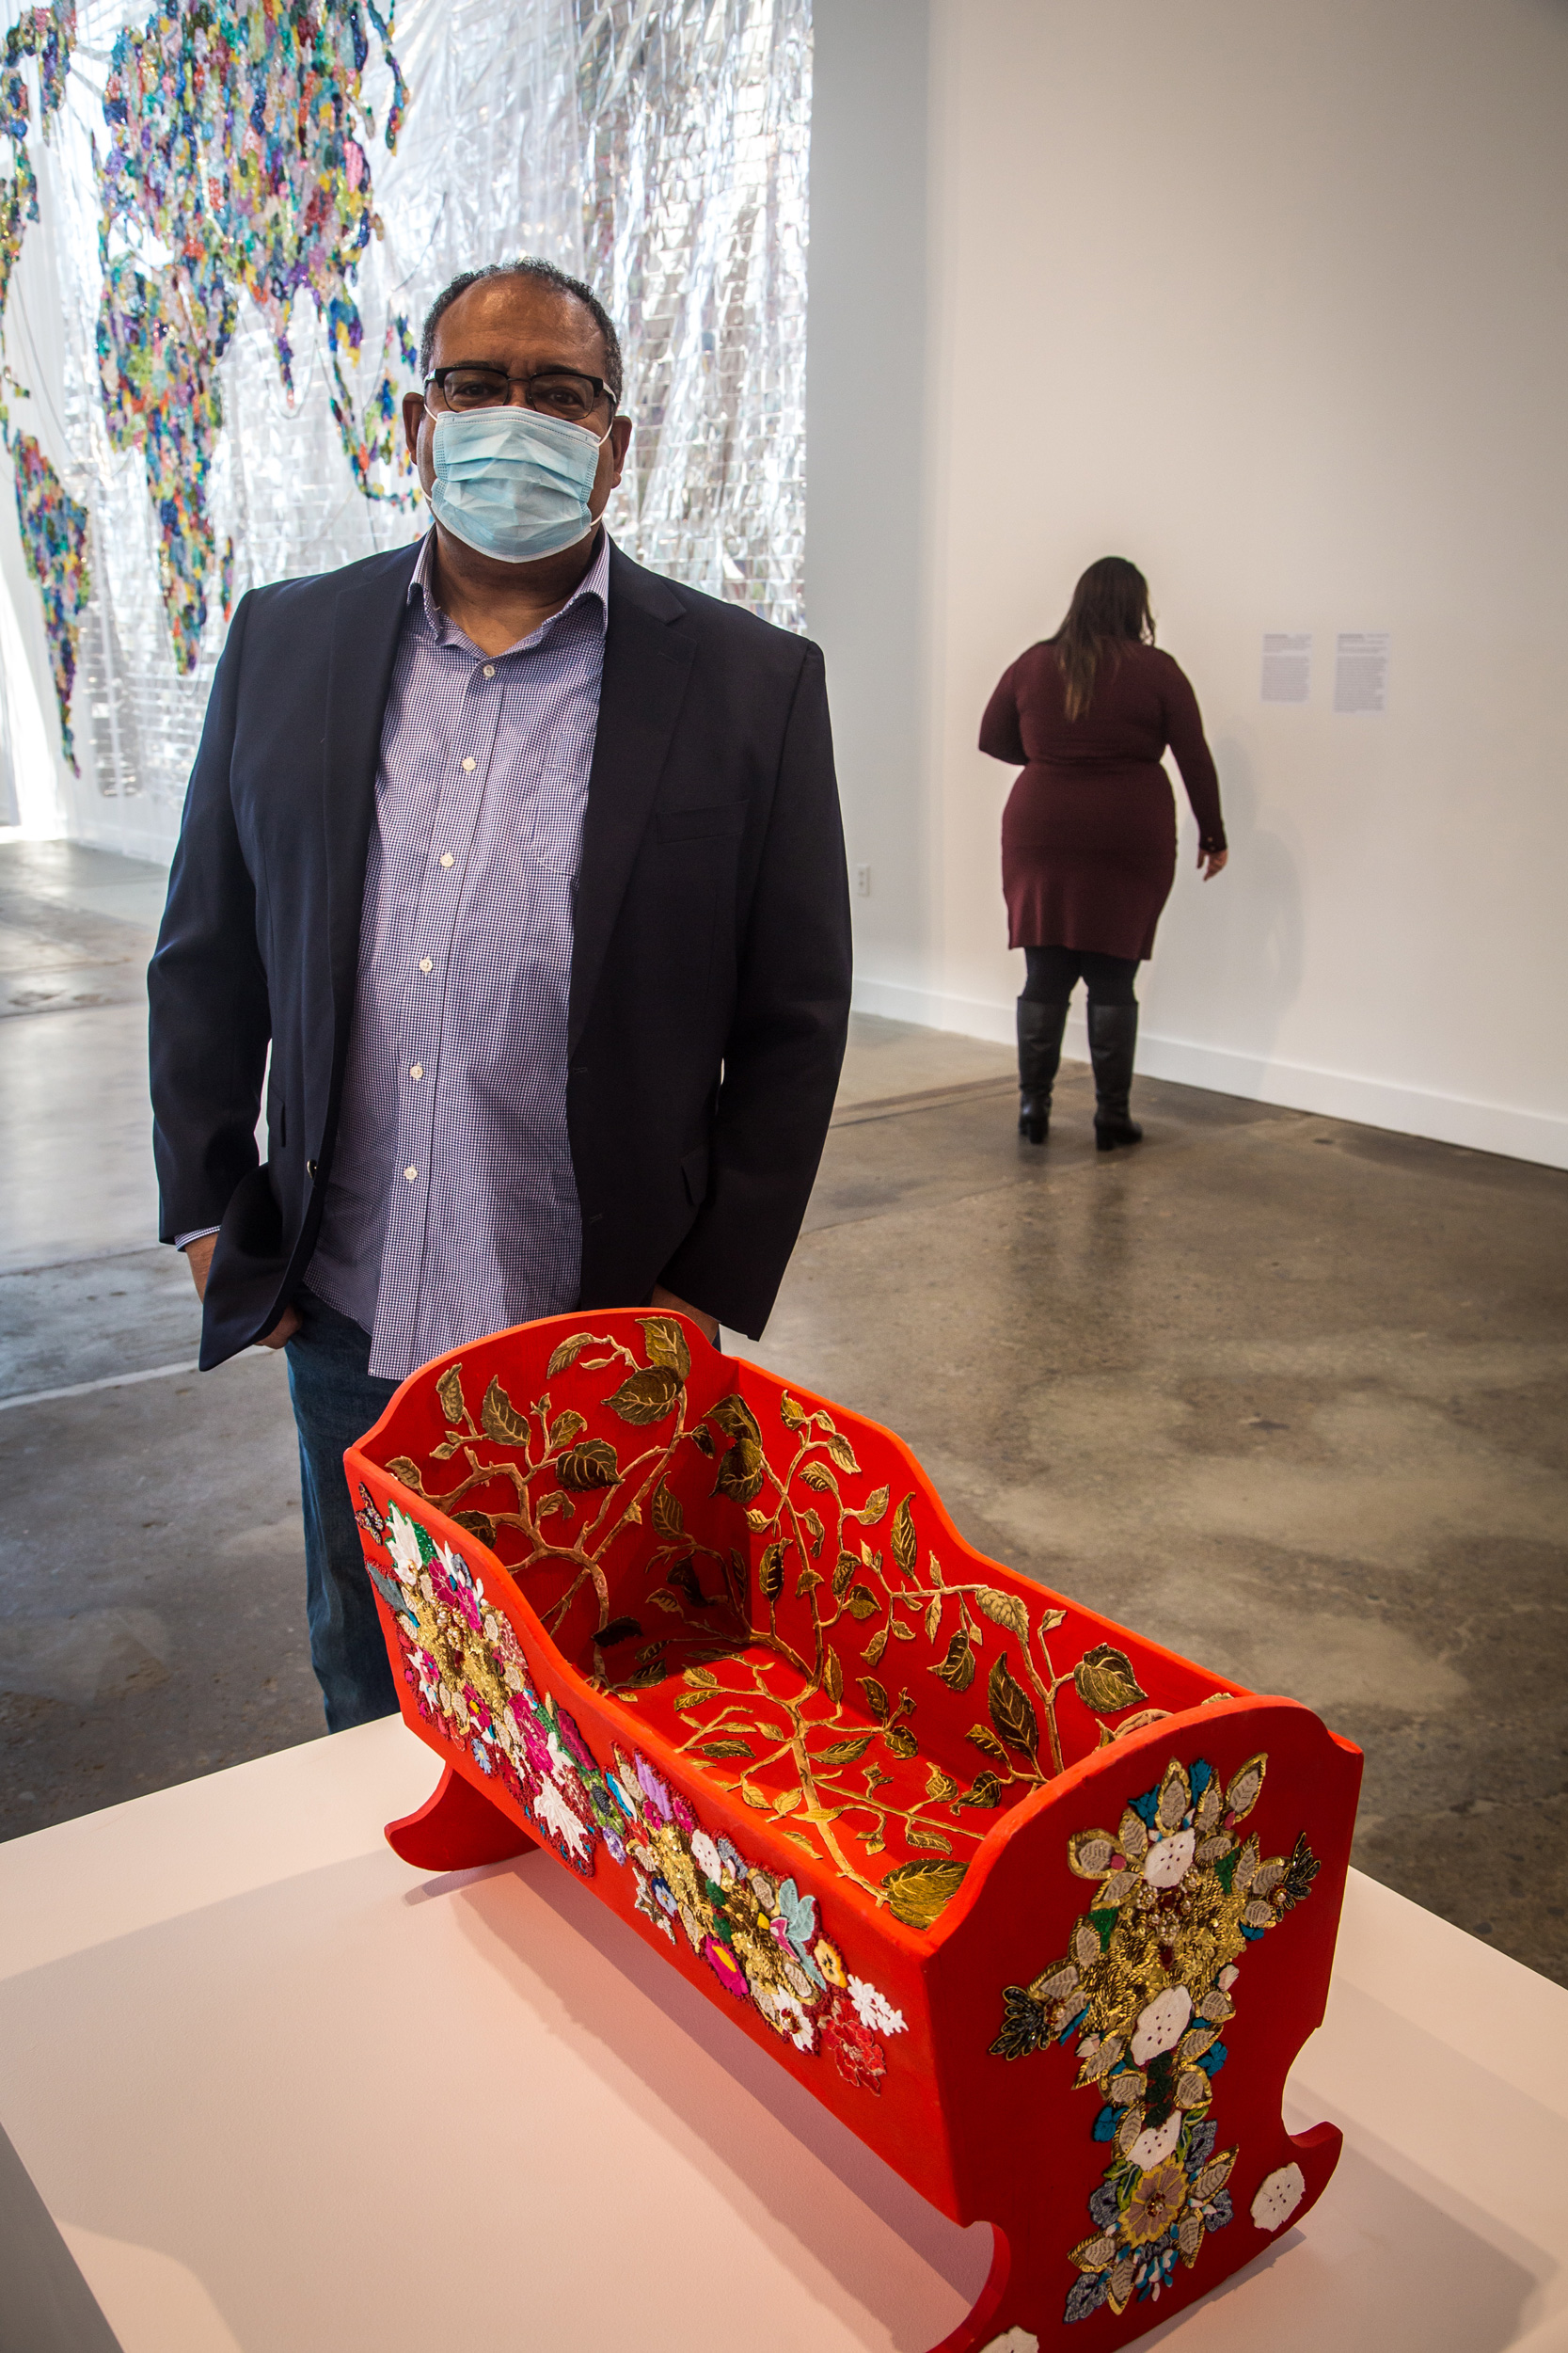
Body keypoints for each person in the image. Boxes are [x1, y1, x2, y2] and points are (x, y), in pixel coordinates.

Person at [149, 257, 852, 1733]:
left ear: (616, 439)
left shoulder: (748, 683)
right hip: (346, 1313)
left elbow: (793, 1016)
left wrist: (700, 1288)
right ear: (417, 423)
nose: (512, 417)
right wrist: (213, 1212)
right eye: (475, 384)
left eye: (559, 390)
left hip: (596, 1316)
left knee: (596, 1688)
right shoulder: (286, 644)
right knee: (369, 1665)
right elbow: (205, 948)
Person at [978, 557, 1227, 1149]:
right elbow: (1193, 755)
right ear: (1135, 606)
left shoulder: (1035, 662)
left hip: (1041, 826)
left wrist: (1052, 761)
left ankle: (1033, 1108)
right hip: (1128, 829)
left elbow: (992, 736)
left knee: (1043, 975)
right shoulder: (1158, 670)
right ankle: (1111, 1118)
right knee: (1114, 980)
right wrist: (1212, 835)